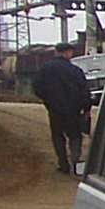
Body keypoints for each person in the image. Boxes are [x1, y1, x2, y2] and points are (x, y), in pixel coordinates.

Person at [34, 40, 94, 175]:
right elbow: (85, 91)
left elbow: (37, 87)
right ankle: (75, 162)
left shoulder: (45, 69)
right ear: (69, 53)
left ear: (56, 52)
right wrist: (86, 109)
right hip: (74, 111)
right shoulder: (76, 70)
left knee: (57, 136)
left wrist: (48, 100)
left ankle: (63, 163)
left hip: (54, 109)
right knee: (75, 136)